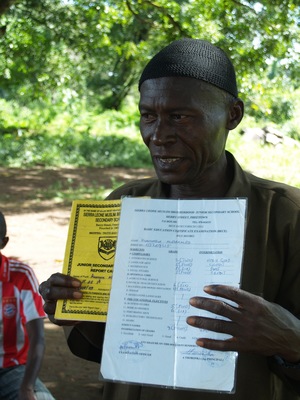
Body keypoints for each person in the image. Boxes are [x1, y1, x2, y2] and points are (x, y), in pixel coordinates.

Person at [39, 38, 300, 399]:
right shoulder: (122, 205)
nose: (158, 136)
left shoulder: (285, 215)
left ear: (233, 115)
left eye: (180, 117)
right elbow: (103, 346)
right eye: (149, 116)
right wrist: (74, 305)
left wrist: (289, 340)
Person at [0, 211, 55, 400]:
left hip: (11, 370)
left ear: (3, 242)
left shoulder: (20, 276)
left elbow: (37, 336)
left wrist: (27, 387)